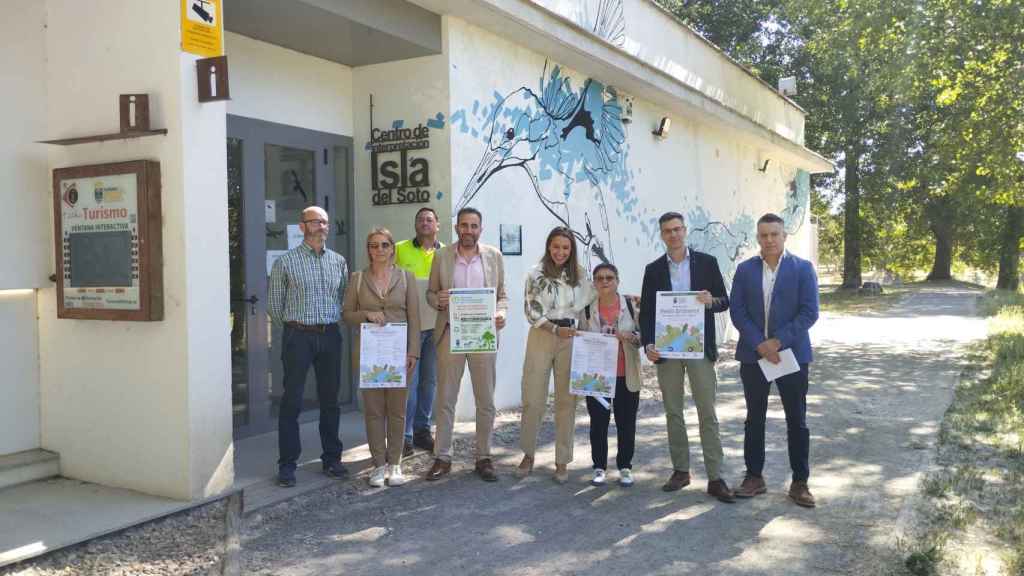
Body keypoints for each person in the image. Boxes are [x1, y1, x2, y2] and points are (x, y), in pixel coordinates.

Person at [640, 211, 736, 503]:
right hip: (668, 350)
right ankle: (681, 470)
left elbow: (724, 301)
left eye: (678, 229)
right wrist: (648, 345)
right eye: (668, 231)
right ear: (662, 235)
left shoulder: (707, 262)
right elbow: (646, 313)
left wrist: (711, 301)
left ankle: (716, 476)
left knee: (707, 410)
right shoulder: (654, 269)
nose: (674, 234)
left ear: (685, 231)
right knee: (673, 411)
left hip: (699, 349)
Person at [729, 212, 819, 508]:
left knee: (797, 419)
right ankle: (754, 477)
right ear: (758, 237)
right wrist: (760, 344)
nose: (769, 240)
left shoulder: (803, 269)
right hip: (754, 357)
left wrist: (777, 342)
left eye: (774, 234)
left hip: (791, 354)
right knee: (755, 418)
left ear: (784, 236)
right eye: (764, 235)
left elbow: (809, 312)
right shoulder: (744, 270)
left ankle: (800, 482)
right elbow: (737, 311)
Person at [425, 207, 509, 482]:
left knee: (485, 399)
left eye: (474, 226)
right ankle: (443, 457)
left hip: (483, 335)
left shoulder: (494, 256)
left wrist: (501, 313)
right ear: (456, 228)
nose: (468, 231)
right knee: (446, 398)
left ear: (480, 229)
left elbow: (502, 295)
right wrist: (438, 299)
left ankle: (483, 457)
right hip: (451, 332)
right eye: (464, 225)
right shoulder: (441, 256)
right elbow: (430, 293)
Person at [267, 206, 349, 488]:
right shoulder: (285, 263)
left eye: (325, 222)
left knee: (330, 400)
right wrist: (294, 328)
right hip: (298, 336)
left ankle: (332, 459)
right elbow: (275, 307)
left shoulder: (338, 261)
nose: (322, 226)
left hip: (329, 335)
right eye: (315, 222)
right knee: (292, 401)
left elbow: (342, 297)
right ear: (302, 227)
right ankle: (288, 465)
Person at [342, 228, 420, 487]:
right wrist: (366, 314)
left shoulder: (406, 278)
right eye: (374, 246)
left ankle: (395, 463)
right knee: (374, 412)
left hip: (399, 355)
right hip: (371, 356)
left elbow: (415, 320)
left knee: (397, 411)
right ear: (368, 250)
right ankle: (378, 465)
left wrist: (413, 352)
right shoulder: (357, 279)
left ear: (392, 249)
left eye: (385, 245)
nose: (380, 250)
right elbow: (347, 315)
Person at [517, 227, 594, 484]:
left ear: (571, 251)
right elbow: (531, 311)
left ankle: (562, 459)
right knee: (533, 398)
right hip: (543, 333)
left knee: (567, 401)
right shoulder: (535, 274)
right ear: (549, 247)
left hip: (571, 337)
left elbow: (588, 308)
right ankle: (528, 454)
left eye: (566, 248)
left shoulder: (581, 276)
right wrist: (554, 329)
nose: (560, 252)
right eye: (556, 246)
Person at [576, 263, 641, 487]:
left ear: (617, 281)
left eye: (609, 278)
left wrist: (629, 336)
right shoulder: (586, 310)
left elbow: (643, 337)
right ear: (594, 282)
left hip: (626, 374)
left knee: (626, 423)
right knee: (598, 423)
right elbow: (581, 340)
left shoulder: (632, 306)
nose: (605, 281)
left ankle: (625, 467)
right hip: (597, 378)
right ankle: (599, 467)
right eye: (600, 278)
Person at [394, 207, 443, 457]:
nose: (425, 223)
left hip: (437, 327)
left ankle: (423, 430)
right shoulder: (399, 248)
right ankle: (404, 436)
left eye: (429, 219)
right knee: (409, 383)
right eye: (420, 219)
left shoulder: (446, 253)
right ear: (415, 225)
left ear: (438, 225)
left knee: (429, 382)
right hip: (410, 327)